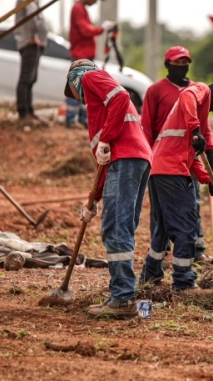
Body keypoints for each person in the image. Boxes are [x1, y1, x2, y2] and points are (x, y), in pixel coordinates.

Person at [64, 59, 151, 319]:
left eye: (74, 92)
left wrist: (105, 139)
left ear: (73, 80)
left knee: (115, 227)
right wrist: (93, 200)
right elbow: (103, 165)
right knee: (120, 226)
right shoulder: (101, 115)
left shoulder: (89, 77)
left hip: (126, 159)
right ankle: (121, 293)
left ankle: (123, 298)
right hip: (132, 160)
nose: (79, 98)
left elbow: (122, 96)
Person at [140, 75, 213, 292]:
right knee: (186, 226)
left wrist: (210, 182)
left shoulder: (199, 111)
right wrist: (196, 130)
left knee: (164, 228)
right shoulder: (200, 91)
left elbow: (191, 157)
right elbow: (185, 95)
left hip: (160, 168)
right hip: (171, 171)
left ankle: (151, 275)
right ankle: (184, 282)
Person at [140, 46, 213, 262]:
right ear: (167, 64)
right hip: (163, 157)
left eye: (184, 63)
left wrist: (210, 150)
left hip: (189, 156)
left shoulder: (197, 90)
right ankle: (161, 251)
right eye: (177, 62)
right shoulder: (156, 91)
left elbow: (204, 124)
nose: (181, 66)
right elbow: (146, 125)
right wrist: (149, 154)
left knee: (192, 203)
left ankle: (196, 248)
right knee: (160, 208)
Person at [67, 0, 116, 129]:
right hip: (80, 55)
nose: (95, 2)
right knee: (77, 87)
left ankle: (83, 119)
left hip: (85, 54)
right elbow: (85, 31)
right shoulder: (78, 9)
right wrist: (102, 28)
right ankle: (71, 120)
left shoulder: (82, 9)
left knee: (86, 89)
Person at [14, 0, 51, 122]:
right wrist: (34, 36)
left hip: (32, 42)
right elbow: (31, 17)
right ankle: (24, 112)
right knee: (26, 78)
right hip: (29, 42)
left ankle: (29, 110)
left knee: (31, 78)